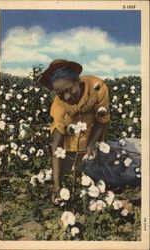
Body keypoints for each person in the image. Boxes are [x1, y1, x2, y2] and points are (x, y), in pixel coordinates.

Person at [40, 59, 110, 204]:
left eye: (69, 90)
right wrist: (57, 187)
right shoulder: (58, 105)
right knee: (77, 173)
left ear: (77, 81)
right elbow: (56, 144)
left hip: (93, 142)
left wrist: (92, 143)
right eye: (60, 94)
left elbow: (102, 119)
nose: (66, 97)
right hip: (71, 150)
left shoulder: (98, 87)